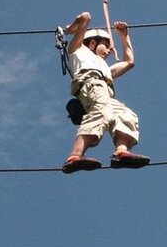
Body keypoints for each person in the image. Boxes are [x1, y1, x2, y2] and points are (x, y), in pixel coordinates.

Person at [60, 11, 150, 173]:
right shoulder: (78, 51)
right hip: (91, 84)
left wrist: (124, 36)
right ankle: (75, 156)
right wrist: (72, 29)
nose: (109, 51)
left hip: (104, 90)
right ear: (92, 43)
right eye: (106, 46)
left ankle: (121, 152)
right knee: (101, 112)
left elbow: (129, 62)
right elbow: (85, 16)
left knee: (125, 114)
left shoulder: (105, 69)